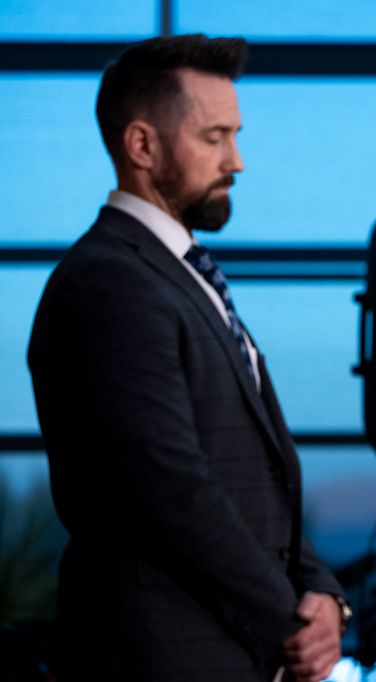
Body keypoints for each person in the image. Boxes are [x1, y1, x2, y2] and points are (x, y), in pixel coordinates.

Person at [28, 34, 348, 682]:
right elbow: (171, 487)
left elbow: (260, 477)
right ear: (141, 145)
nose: (238, 160)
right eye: (215, 138)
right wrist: (291, 618)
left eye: (236, 135)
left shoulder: (182, 275)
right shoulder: (107, 283)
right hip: (163, 659)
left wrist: (323, 597)